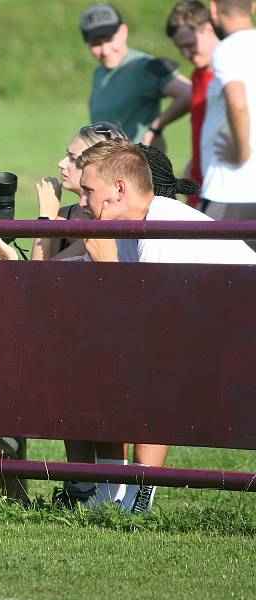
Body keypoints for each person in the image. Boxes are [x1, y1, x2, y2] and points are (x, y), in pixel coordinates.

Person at [76, 139, 256, 512]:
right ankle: (113, 492)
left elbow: (152, 331)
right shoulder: (128, 229)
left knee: (148, 371)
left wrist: (107, 270)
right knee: (105, 362)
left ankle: (140, 493)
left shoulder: (165, 226)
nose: (82, 202)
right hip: (216, 337)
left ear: (119, 190)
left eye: (88, 191)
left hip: (239, 340)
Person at [0, 122, 132, 509]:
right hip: (60, 336)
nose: (61, 163)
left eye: (73, 157)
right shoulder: (68, 213)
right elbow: (38, 291)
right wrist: (15, 251)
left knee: (20, 374)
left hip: (99, 341)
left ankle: (97, 490)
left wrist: (46, 223)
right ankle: (64, 489)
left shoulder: (107, 217)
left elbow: (41, 282)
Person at [80, 3, 191, 146]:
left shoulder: (143, 66)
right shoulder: (99, 72)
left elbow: (188, 93)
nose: (105, 50)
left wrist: (155, 128)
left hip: (139, 165)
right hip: (109, 165)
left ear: (123, 31)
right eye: (96, 44)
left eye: (109, 40)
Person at [200, 0, 256, 238]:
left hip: (230, 191)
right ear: (252, 6)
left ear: (213, 9)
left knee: (212, 274)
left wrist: (243, 152)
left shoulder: (229, 48)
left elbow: (237, 100)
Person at [166, 1, 220, 208]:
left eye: (189, 45)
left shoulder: (229, 75)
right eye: (181, 49)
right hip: (199, 184)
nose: (187, 55)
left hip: (225, 189)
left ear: (208, 28)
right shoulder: (198, 75)